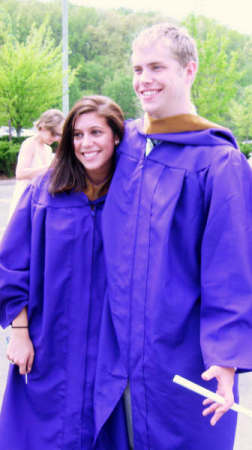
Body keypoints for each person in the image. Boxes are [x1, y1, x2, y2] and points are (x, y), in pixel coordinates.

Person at [93, 23, 252, 450]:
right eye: (137, 69)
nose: (143, 80)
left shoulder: (219, 162)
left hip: (178, 353)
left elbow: (231, 268)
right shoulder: (122, 146)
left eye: (156, 67)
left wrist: (226, 358)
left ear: (189, 70)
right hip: (113, 351)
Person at [0, 95, 129, 449]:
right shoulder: (46, 192)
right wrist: (21, 334)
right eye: (77, 135)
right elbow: (12, 264)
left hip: (108, 346)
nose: (86, 144)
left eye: (96, 132)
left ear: (117, 136)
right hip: (48, 342)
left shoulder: (132, 195)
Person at [8, 108, 65, 218]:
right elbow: (20, 173)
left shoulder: (47, 149)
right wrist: (50, 167)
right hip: (25, 199)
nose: (56, 138)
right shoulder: (30, 144)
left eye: (59, 135)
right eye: (53, 133)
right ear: (43, 127)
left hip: (40, 199)